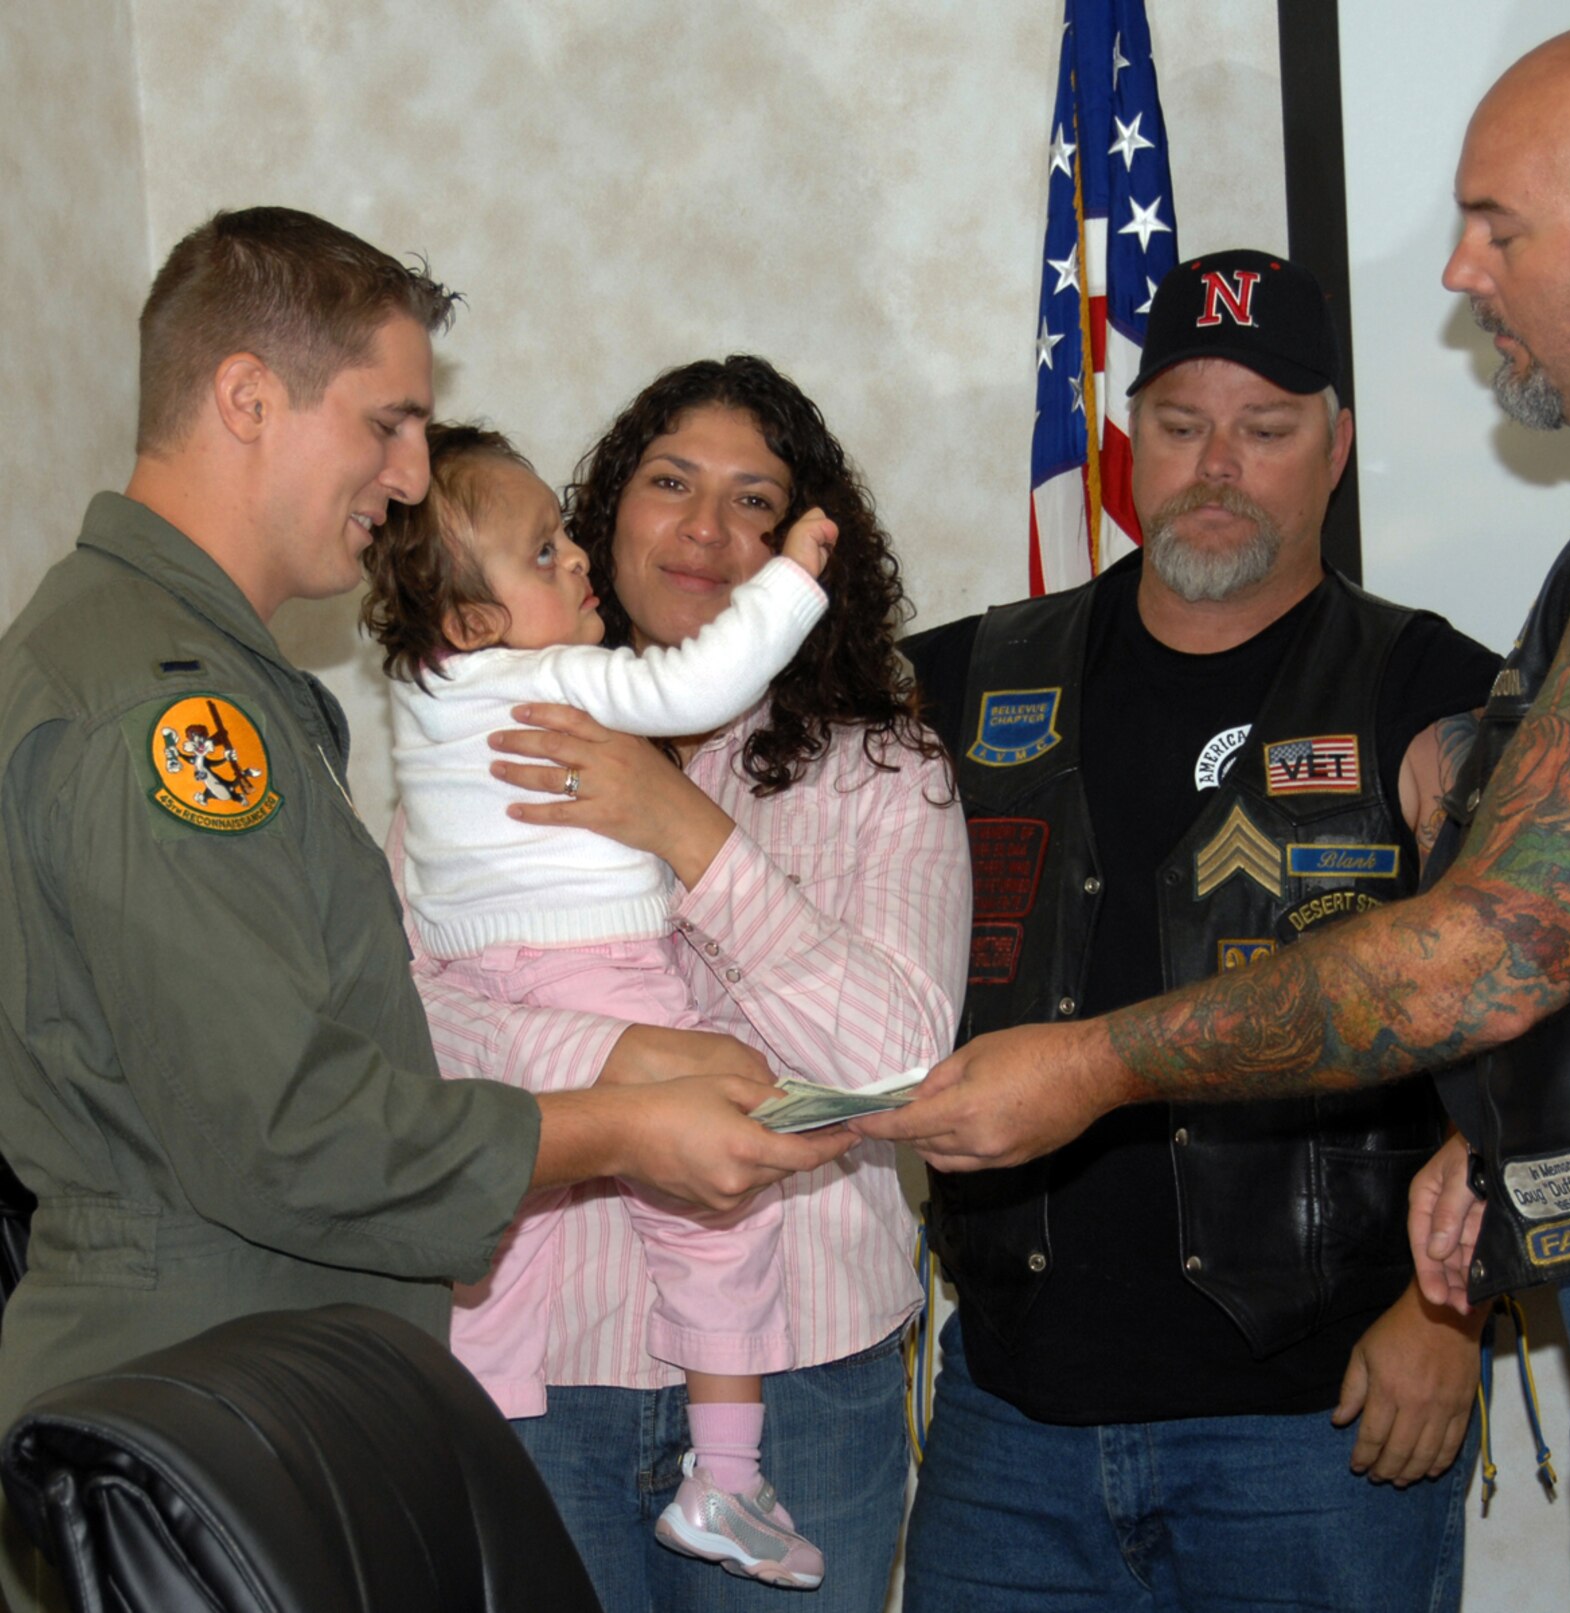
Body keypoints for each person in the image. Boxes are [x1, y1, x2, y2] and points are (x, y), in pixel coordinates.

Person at [858, 11, 1570, 1612]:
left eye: (1501, 225)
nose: (1462, 272)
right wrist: (1523, 1126)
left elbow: (1488, 947)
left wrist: (1090, 1065)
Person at [0, 210, 853, 1613]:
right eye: (388, 423)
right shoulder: (168, 711)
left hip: (248, 1402)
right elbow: (289, 1128)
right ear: (247, 397)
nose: (408, 480)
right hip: (188, 1439)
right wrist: (623, 1127)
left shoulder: (210, 675)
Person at [897, 250, 1497, 1612]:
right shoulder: (966, 676)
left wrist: (1455, 1304)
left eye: (1267, 429)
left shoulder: (1431, 689)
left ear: (1335, 449)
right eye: (1180, 425)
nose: (1217, 464)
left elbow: (1544, 972)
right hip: (1012, 1422)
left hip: (1320, 1425)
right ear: (1129, 446)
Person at [397, 354, 971, 1613]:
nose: (706, 528)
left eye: (753, 499)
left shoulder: (885, 768)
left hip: (808, 1382)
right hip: (543, 1380)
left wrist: (684, 830)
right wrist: (628, 1068)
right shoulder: (481, 750)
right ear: (599, 520)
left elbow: (896, 1066)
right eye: (669, 481)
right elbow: (409, 1017)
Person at [361, 421, 841, 1588]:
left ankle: (460, 1445)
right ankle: (726, 1476)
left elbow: (421, 905)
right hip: (599, 974)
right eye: (544, 554)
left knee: (492, 1231)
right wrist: (792, 578)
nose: (573, 560)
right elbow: (701, 680)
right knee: (717, 1208)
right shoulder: (549, 678)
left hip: (490, 990)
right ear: (475, 624)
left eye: (565, 537)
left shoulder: (422, 700)